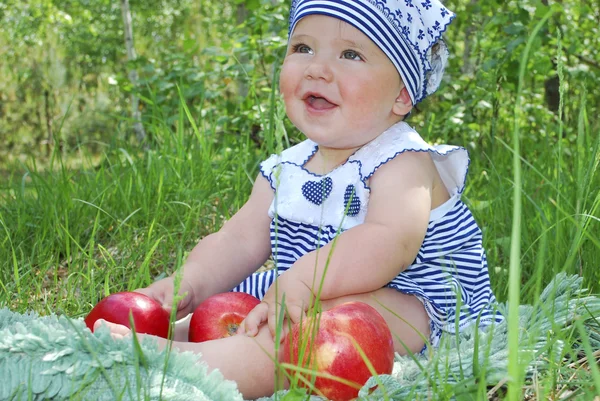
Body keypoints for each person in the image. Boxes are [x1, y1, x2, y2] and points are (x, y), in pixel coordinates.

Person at [96, 0, 504, 398]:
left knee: (312, 332)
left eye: (350, 53)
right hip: (301, 289)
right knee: (243, 303)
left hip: (419, 307)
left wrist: (304, 281)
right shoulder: (286, 169)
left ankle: (188, 362)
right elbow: (237, 240)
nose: (317, 68)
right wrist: (189, 282)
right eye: (302, 48)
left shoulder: (404, 163)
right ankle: (174, 331)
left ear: (401, 94)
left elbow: (389, 243)